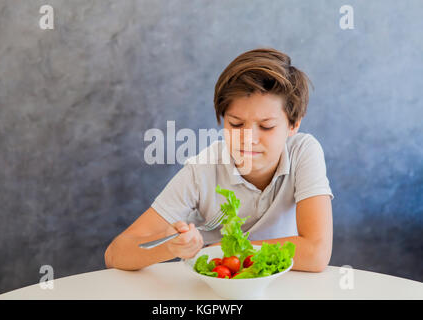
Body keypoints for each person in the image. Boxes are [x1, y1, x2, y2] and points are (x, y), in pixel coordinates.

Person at [105, 47, 334, 272]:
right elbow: (115, 254)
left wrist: (221, 250)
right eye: (236, 124)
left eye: (266, 126)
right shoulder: (202, 170)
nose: (248, 139)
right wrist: (169, 246)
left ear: (293, 125)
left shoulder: (303, 152)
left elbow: (316, 253)